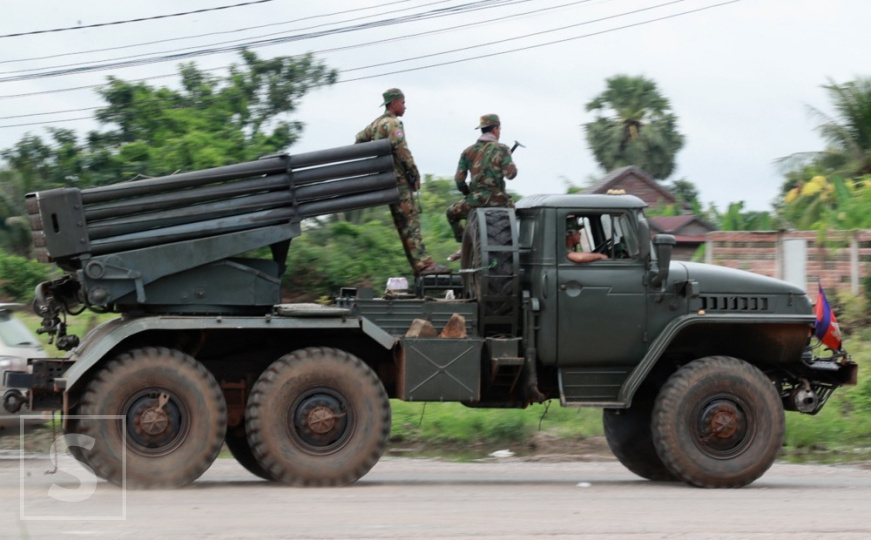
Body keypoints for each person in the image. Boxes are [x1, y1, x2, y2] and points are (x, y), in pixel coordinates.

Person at [355, 88, 449, 276]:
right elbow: (402, 151)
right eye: (403, 102)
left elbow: (359, 140)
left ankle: (418, 266)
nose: (405, 106)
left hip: (385, 181)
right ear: (394, 103)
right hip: (399, 181)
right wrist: (414, 174)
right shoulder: (392, 124)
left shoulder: (376, 124)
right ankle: (424, 265)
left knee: (401, 223)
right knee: (411, 221)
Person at [445, 114, 518, 261]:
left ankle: (465, 243)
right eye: (499, 129)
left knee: (451, 213)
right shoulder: (502, 149)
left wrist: (468, 193)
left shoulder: (468, 151)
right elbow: (511, 175)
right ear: (496, 129)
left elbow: (459, 180)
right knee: (517, 214)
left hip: (474, 202)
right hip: (500, 201)